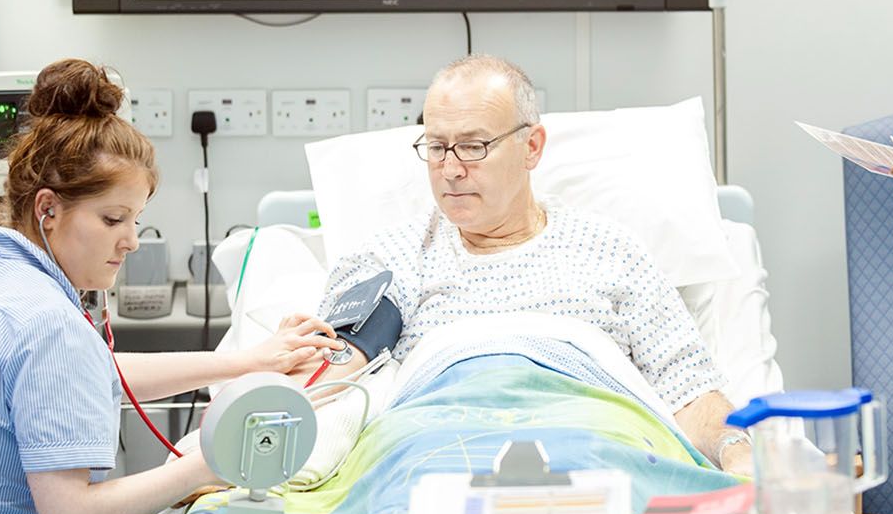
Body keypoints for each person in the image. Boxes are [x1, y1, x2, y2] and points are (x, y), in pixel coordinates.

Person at [0, 60, 337, 514]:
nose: (130, 241)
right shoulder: (46, 326)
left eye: (136, 218)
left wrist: (244, 363)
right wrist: (208, 462)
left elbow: (84, 374)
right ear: (48, 208)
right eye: (112, 220)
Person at [314, 54, 752, 476]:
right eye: (436, 147)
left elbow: (688, 389)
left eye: (472, 146)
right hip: (438, 453)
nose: (449, 169)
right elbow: (328, 381)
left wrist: (736, 451)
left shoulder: (610, 251)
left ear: (532, 147)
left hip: (594, 445)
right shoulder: (390, 261)